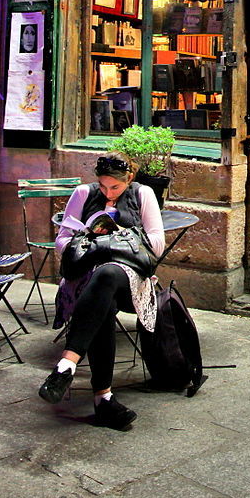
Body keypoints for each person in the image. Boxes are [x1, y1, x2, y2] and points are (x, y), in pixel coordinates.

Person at [37, 152, 165, 429]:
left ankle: (67, 364)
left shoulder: (143, 194)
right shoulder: (83, 193)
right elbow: (61, 240)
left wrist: (116, 235)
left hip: (129, 280)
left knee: (107, 274)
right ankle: (103, 400)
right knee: (102, 300)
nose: (108, 193)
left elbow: (156, 245)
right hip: (87, 277)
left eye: (115, 187)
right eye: (103, 186)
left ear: (129, 178)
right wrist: (88, 238)